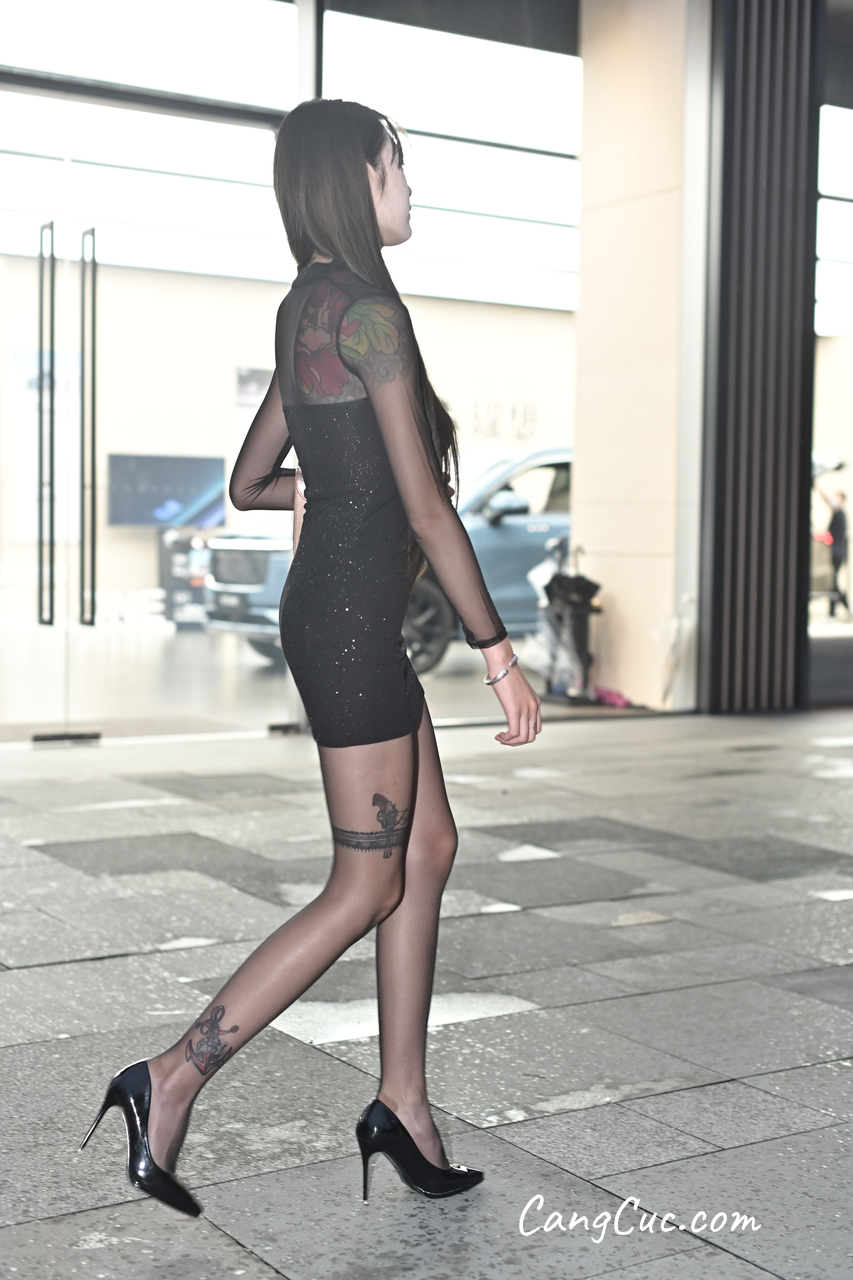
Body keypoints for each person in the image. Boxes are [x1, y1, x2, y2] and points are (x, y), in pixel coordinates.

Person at [80, 99, 541, 1215]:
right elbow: (428, 508)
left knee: (427, 844)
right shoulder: (370, 316)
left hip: (340, 615)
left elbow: (250, 483)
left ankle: (401, 1105)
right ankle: (170, 1075)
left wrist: (328, 493)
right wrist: (496, 652)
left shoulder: (308, 306)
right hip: (349, 627)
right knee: (366, 879)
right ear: (355, 178)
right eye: (397, 165)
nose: (409, 185)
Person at [816, 487, 849, 617]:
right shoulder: (837, 514)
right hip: (836, 552)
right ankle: (833, 611)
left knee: (833, 582)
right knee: (833, 582)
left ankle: (843, 606)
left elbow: (833, 535)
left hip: (836, 552)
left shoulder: (840, 514)